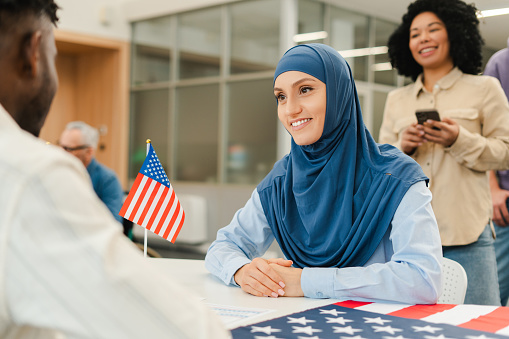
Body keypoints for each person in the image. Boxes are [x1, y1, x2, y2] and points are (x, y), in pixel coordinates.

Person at [0, 1, 229, 338]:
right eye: (54, 56)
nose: (64, 152)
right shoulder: (29, 174)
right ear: (33, 52)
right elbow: (188, 332)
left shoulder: (102, 178)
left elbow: (112, 223)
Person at [205, 43, 443, 304]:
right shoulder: (282, 180)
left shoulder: (396, 177)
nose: (290, 109)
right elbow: (223, 246)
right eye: (281, 97)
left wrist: (306, 281)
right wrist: (242, 270)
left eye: (305, 90)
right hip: (299, 322)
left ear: (339, 94)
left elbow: (423, 279)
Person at [379, 0, 509, 305]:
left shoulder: (485, 89)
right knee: (410, 329)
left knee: (479, 328)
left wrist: (458, 139)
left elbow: (505, 152)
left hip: (467, 237)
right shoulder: (396, 99)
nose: (423, 38)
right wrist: (403, 147)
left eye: (433, 29)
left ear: (454, 33)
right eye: (415, 33)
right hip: (405, 240)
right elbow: (380, 166)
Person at [59, 121, 124, 225]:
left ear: (89, 152)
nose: (61, 152)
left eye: (68, 149)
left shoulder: (108, 180)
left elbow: (113, 224)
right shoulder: (59, 174)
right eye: (61, 146)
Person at [484, 37, 509, 306]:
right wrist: (491, 188)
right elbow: (487, 132)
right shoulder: (501, 63)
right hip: (506, 201)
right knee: (496, 291)